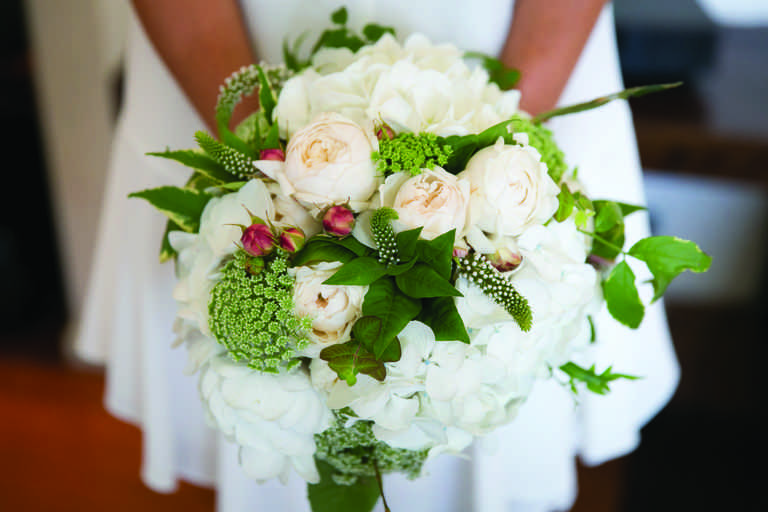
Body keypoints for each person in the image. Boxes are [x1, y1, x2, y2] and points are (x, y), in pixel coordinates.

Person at [75, 1, 679, 511]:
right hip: (215, 61)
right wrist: (281, 171)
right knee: (276, 414)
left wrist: (490, 152)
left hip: (528, 59)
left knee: (487, 386)